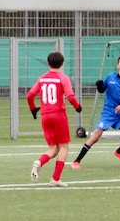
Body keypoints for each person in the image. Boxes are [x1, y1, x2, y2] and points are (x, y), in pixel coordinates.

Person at [27, 51, 82, 187]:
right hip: (58, 114)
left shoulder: (42, 79)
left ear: (48, 63)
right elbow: (70, 96)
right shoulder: (63, 78)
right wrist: (77, 107)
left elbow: (29, 95)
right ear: (62, 64)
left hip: (45, 116)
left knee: (53, 147)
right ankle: (55, 178)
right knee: (64, 147)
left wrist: (33, 108)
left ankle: (39, 162)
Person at [71, 55, 120, 169]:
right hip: (108, 113)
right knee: (96, 136)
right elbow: (101, 89)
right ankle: (77, 161)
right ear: (117, 65)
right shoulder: (110, 77)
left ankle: (119, 152)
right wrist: (99, 85)